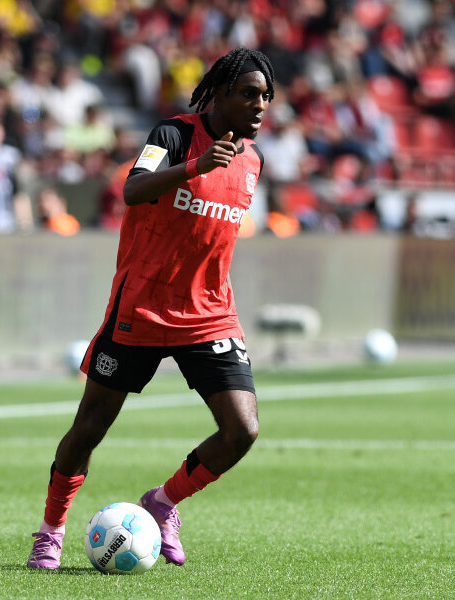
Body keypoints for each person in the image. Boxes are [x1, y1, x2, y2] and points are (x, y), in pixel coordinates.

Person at [26, 47, 274, 570]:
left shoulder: (253, 160)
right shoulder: (173, 135)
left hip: (209, 312)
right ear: (221, 93)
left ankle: (162, 503)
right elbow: (133, 189)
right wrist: (196, 166)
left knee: (242, 430)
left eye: (266, 96)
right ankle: (50, 531)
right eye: (249, 93)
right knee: (89, 429)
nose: (260, 105)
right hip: (142, 307)